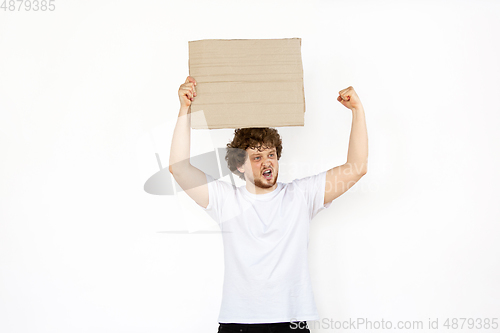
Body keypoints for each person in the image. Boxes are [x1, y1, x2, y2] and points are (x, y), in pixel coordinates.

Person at [169, 76, 368, 333]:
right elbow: (179, 168)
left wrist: (358, 111)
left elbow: (356, 168)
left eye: (271, 154)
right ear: (239, 165)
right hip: (238, 323)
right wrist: (184, 109)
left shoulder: (301, 195)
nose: (267, 162)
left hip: (291, 322)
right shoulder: (226, 200)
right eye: (257, 156)